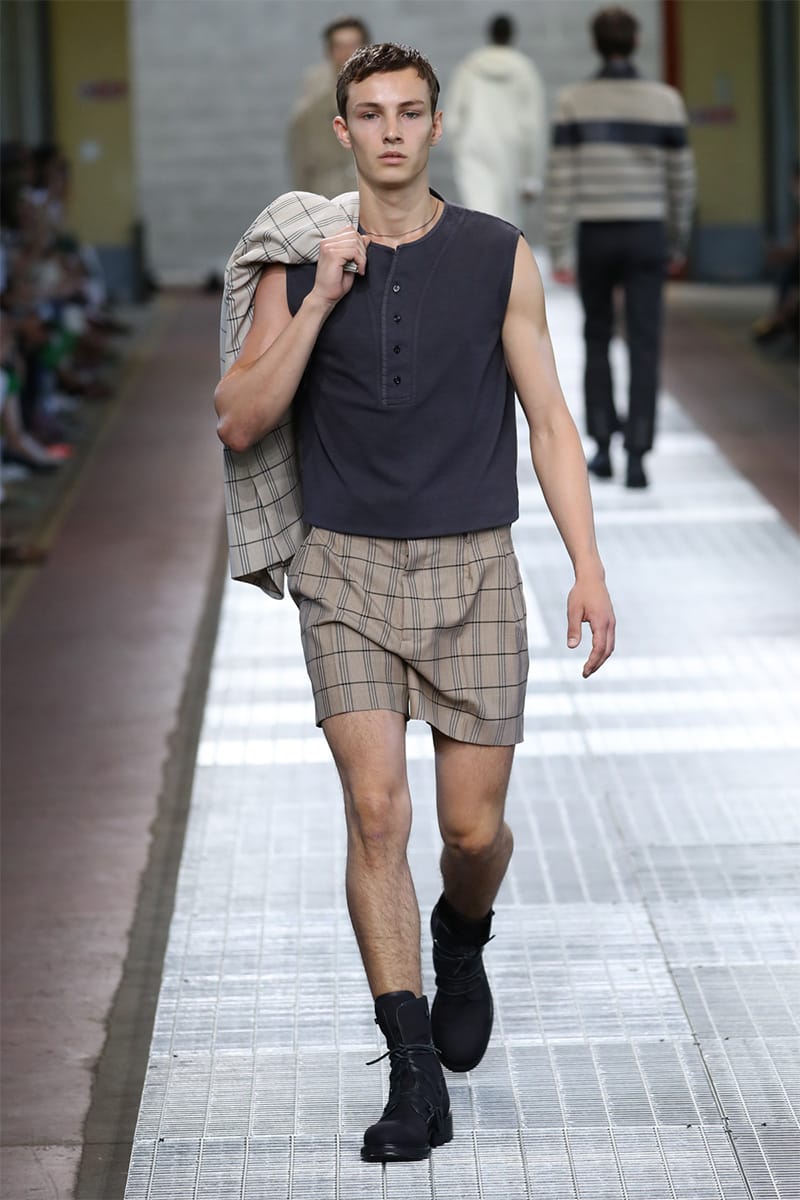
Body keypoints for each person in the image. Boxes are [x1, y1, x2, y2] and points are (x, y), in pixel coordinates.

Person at [216, 42, 615, 1164]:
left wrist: (585, 565)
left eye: (408, 112)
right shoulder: (296, 262)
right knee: (376, 815)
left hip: (475, 569)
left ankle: (463, 930)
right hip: (342, 570)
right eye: (370, 113)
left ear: (436, 127)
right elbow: (239, 418)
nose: (389, 130)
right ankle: (410, 1076)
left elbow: (548, 421)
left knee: (469, 831)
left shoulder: (497, 255)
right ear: (341, 131)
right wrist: (320, 297)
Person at [545, 6, 696, 488]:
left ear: (595, 44)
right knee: (645, 342)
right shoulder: (666, 102)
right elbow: (681, 178)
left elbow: (561, 179)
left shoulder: (574, 101)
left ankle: (603, 446)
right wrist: (677, 239)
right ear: (636, 42)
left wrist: (559, 248)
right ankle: (637, 455)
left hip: (596, 232)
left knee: (597, 335)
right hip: (647, 231)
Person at [445, 14, 546, 228]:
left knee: (477, 215)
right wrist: (531, 176)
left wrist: (458, 149)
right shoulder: (524, 69)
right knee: (506, 222)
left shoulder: (469, 66)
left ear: (489, 34)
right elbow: (533, 125)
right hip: (512, 150)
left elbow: (453, 118)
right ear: (512, 36)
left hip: (474, 145)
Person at [286, 15, 371, 198]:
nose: (347, 53)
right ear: (329, 51)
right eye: (340, 46)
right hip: (327, 189)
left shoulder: (383, 85)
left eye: (353, 45)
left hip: (373, 188)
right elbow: (300, 144)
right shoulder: (314, 86)